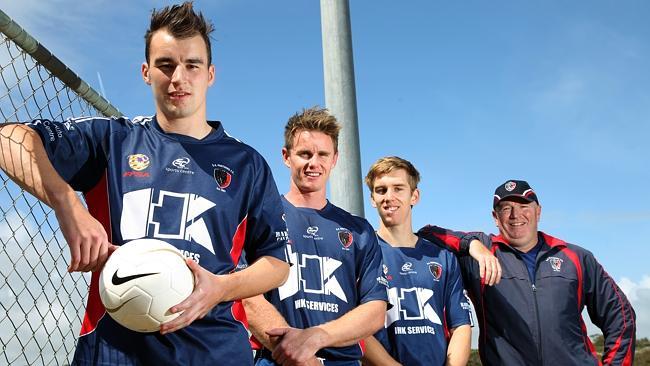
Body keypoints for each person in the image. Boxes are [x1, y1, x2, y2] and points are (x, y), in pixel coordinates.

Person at [0, 3, 289, 365]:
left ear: (210, 74)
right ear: (146, 71)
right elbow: (10, 139)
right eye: (166, 65)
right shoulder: (114, 140)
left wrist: (221, 288)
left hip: (214, 352)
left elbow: (277, 264)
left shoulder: (247, 164)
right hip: (114, 351)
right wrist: (67, 204)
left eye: (192, 65)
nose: (178, 77)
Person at [418, 179, 637, 365]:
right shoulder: (479, 254)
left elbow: (621, 316)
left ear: (538, 211)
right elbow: (427, 233)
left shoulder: (576, 257)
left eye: (524, 206)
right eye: (506, 208)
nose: (515, 215)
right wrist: (472, 245)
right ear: (495, 217)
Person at [242, 107, 388, 366]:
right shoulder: (259, 216)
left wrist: (317, 337)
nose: (314, 163)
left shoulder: (359, 230)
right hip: (276, 359)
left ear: (335, 159)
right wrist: (298, 356)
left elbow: (375, 311)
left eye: (323, 154)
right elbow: (245, 296)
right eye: (304, 154)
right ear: (286, 157)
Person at [360, 156, 472, 366]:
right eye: (381, 190)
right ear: (372, 199)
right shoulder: (361, 253)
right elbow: (355, 328)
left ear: (415, 196)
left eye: (398, 188)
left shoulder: (443, 258)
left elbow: (461, 326)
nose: (388, 197)